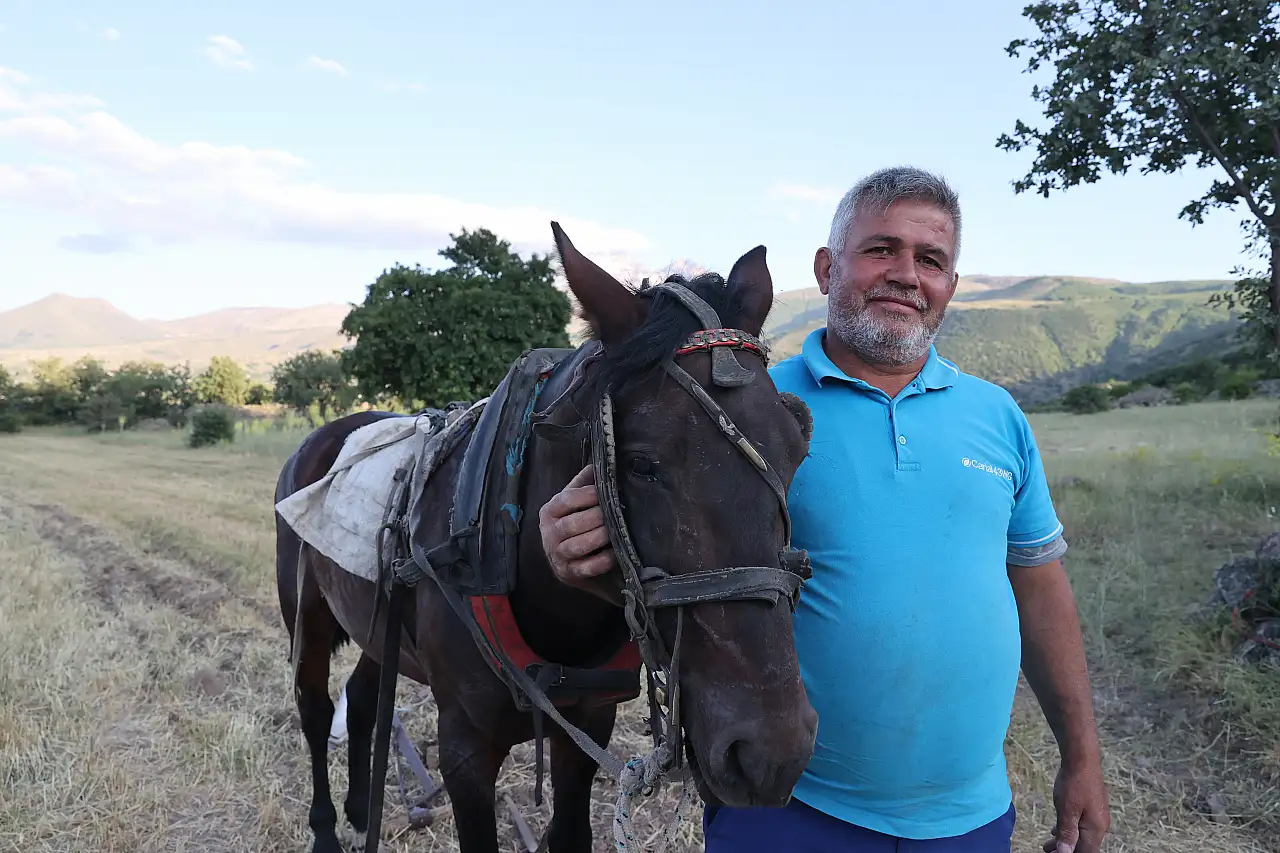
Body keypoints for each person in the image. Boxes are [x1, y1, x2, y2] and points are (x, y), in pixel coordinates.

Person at [537, 166, 1110, 853]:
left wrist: (1082, 757)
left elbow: (1039, 588)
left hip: (971, 815)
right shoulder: (743, 414)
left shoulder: (998, 416)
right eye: (880, 249)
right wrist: (575, 554)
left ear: (950, 286)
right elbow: (676, 571)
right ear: (826, 268)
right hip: (788, 806)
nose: (906, 274)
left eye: (930, 260)